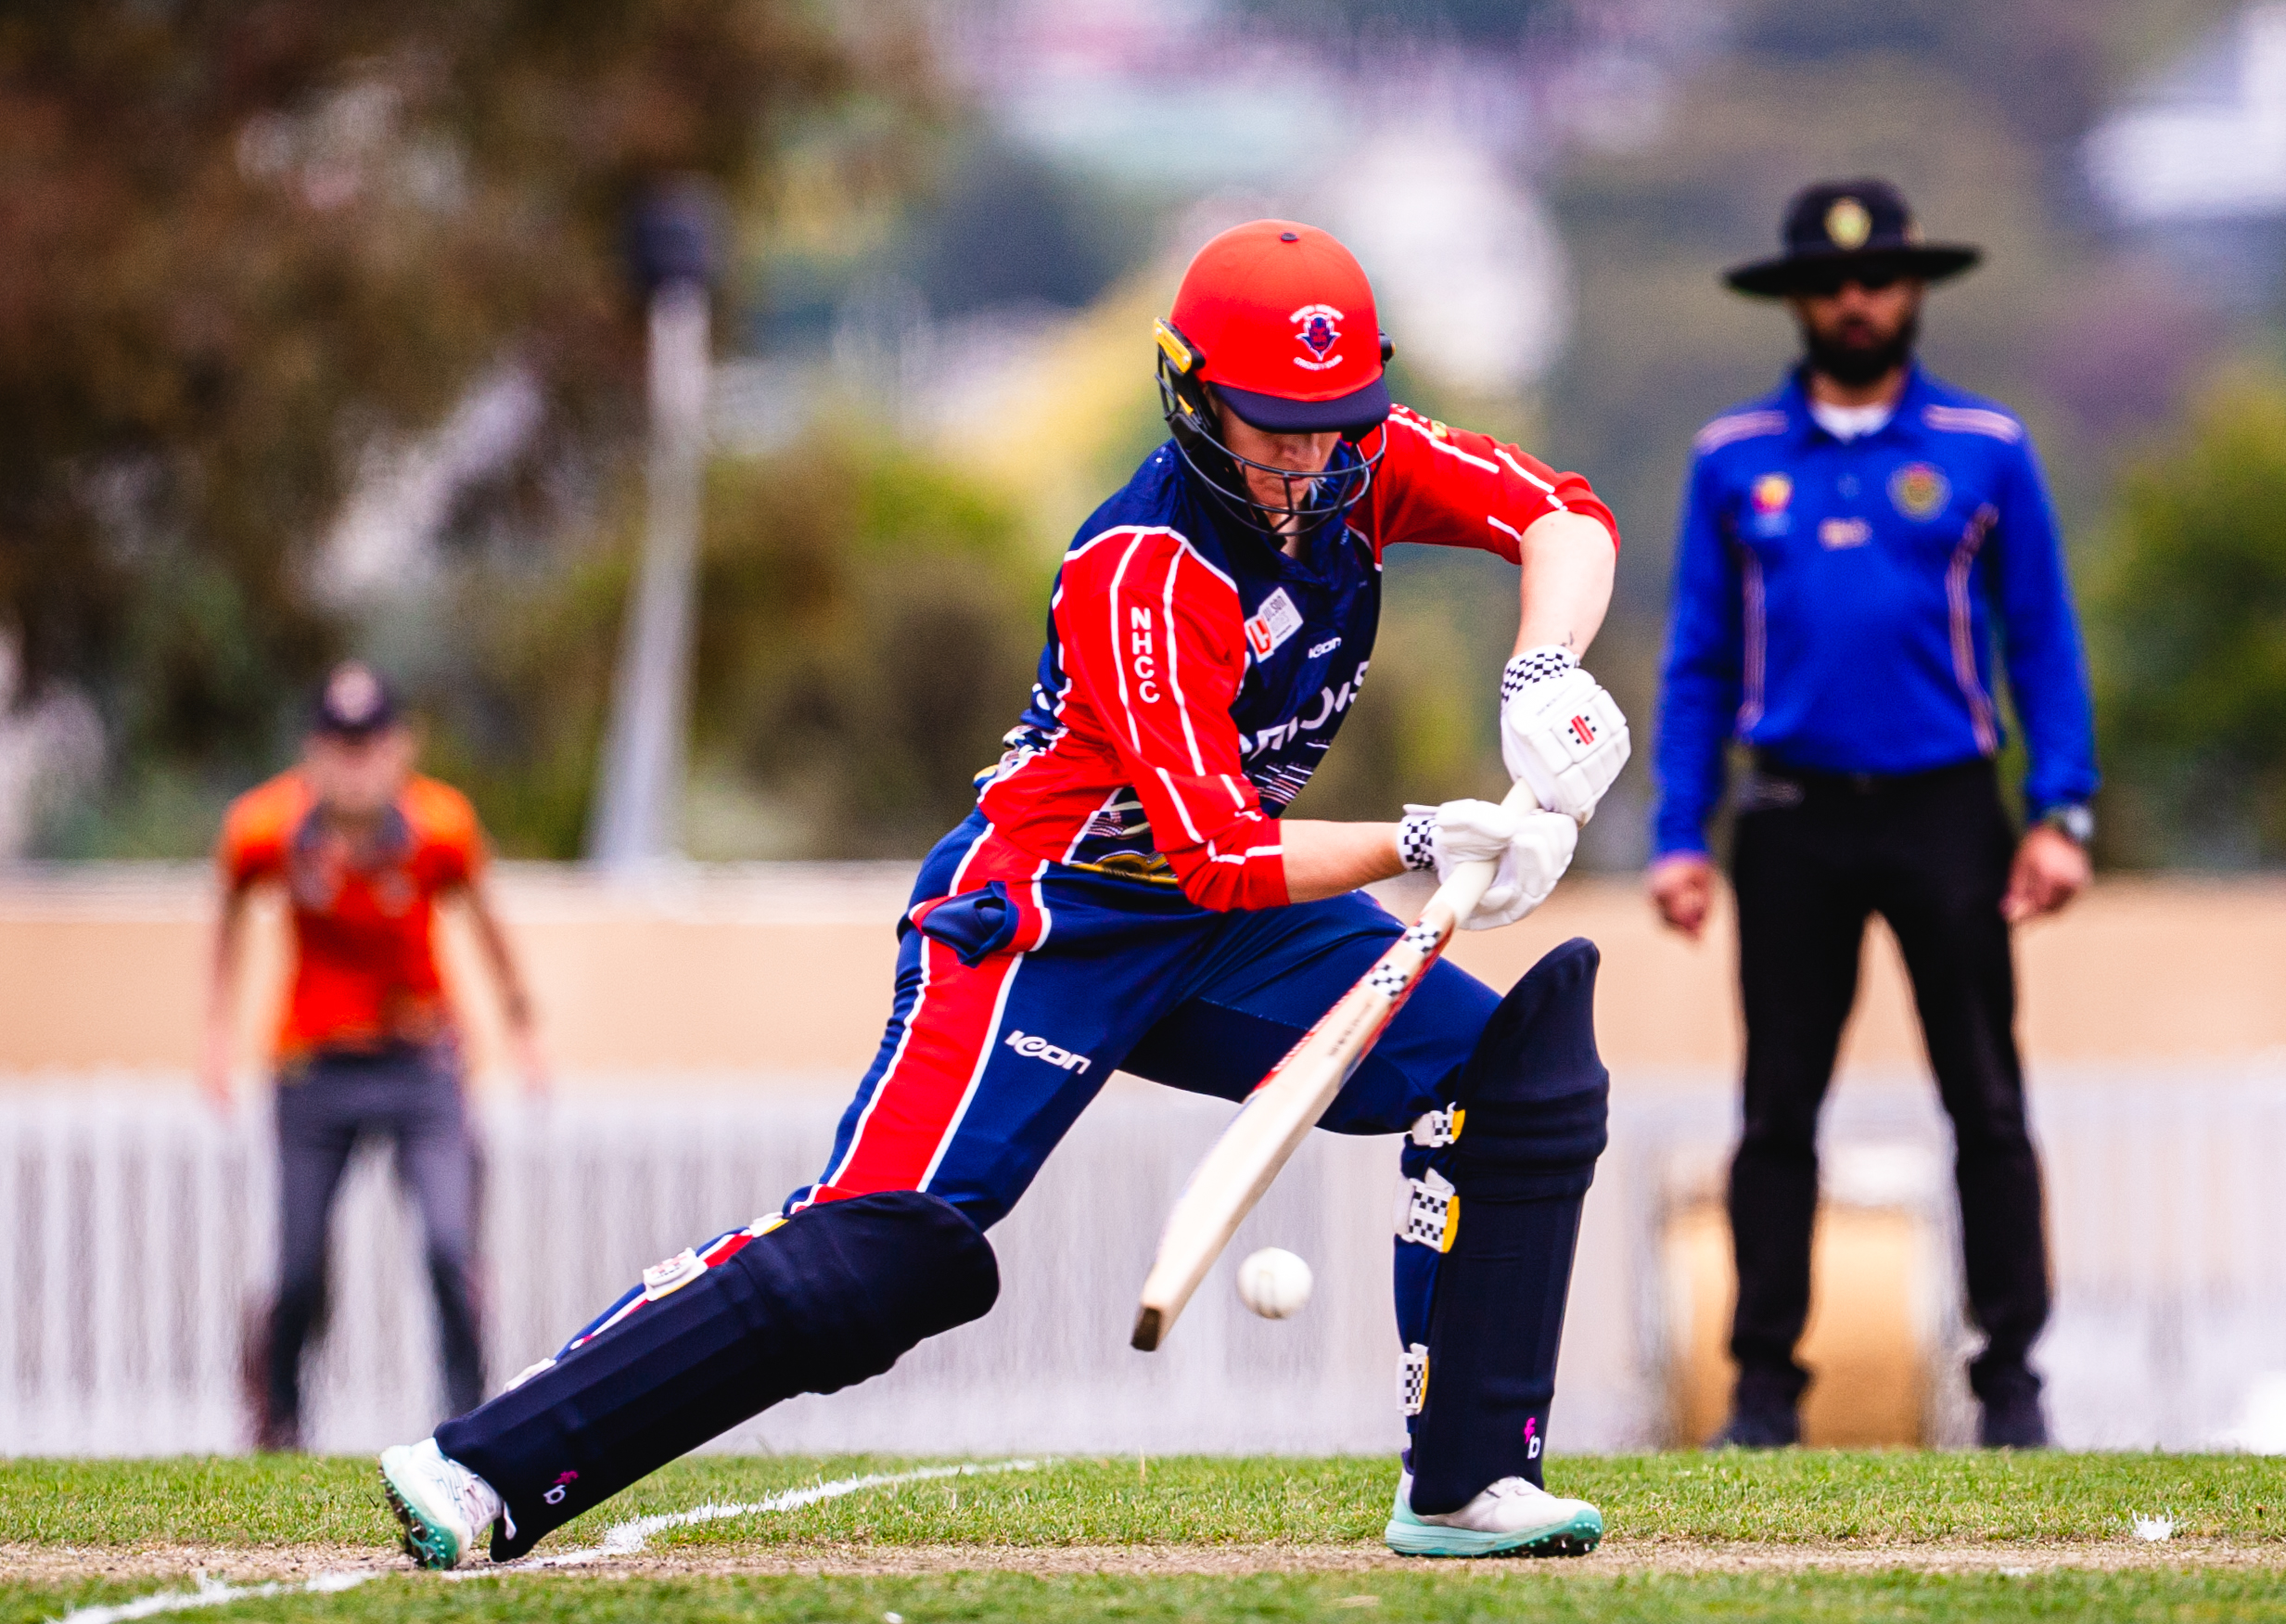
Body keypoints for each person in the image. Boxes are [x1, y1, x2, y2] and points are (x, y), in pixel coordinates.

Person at [376, 219, 1633, 1566]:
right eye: (1274, 426)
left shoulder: (1355, 462)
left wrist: (1538, 677)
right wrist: (1425, 838)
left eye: (1334, 423)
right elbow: (1215, 847)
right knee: (881, 1255)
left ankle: (1462, 1483)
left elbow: (1560, 515)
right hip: (1049, 916)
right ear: (1195, 396)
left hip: (1230, 926)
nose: (1308, 459)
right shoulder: (1141, 570)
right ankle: (483, 1461)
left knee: (1515, 1074)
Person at [1647, 180, 2099, 1450]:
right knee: (1775, 1108)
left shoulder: (1982, 445)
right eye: (1830, 283)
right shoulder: (1731, 457)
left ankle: (2008, 1378)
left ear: (1908, 290)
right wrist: (1678, 833)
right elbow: (1697, 656)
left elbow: (2040, 637)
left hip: (1945, 807)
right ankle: (1759, 1387)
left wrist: (2058, 808)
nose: (1854, 300)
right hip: (1787, 814)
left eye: (1876, 278)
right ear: (1796, 300)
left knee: (1985, 1098)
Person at [205, 661, 544, 1451]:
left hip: (420, 1062)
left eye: (370, 744)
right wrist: (216, 1031)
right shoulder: (265, 828)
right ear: (312, 751)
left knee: (449, 1244)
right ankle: (278, 1424)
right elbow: (226, 916)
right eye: (338, 744)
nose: (354, 763)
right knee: (296, 1267)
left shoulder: (440, 826)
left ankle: (470, 1429)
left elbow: (485, 924)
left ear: (401, 748)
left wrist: (521, 1027)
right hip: (314, 1068)